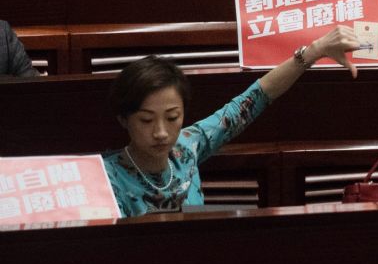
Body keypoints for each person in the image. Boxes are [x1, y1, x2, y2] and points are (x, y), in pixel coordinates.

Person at [103, 26, 360, 216]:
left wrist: (313, 52)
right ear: (123, 119)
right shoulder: (106, 177)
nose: (161, 132)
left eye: (172, 117)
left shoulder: (188, 146)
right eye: (146, 120)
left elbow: (251, 101)